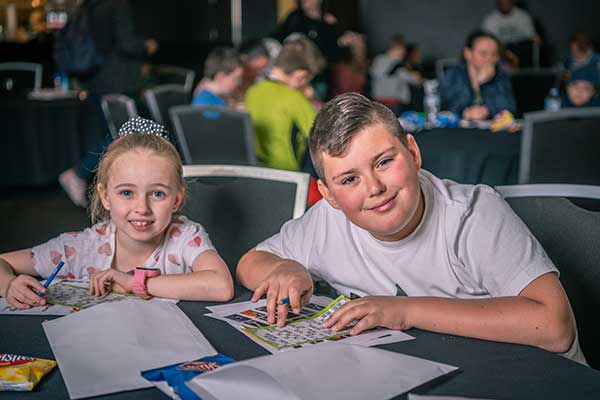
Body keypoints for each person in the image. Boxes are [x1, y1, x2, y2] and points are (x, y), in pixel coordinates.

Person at [236, 92, 586, 365]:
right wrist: (284, 268)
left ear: (413, 154)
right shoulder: (327, 220)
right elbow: (251, 262)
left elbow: (555, 327)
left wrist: (404, 310)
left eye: (385, 162)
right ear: (329, 196)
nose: (374, 188)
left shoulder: (473, 214)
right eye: (349, 179)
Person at [0, 117, 234, 309]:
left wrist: (134, 283)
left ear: (176, 200)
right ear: (105, 196)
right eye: (126, 193)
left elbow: (221, 286)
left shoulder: (185, 237)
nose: (142, 208)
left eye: (158, 194)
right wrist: (9, 284)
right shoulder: (80, 248)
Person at [58, 0, 158, 208]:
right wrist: (147, 46)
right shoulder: (118, 5)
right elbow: (127, 43)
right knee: (123, 135)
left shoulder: (89, 6)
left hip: (95, 80)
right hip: (118, 82)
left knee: (113, 134)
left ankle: (116, 187)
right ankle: (79, 173)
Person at [245, 36, 325, 172]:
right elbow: (321, 136)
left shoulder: (252, 91)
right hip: (289, 175)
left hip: (258, 171)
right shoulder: (294, 98)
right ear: (301, 75)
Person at [440, 30, 516, 121]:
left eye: (494, 54)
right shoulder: (453, 75)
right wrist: (464, 113)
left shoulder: (501, 75)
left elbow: (508, 109)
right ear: (468, 54)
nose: (489, 59)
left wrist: (484, 84)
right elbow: (446, 109)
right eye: (483, 54)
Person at [370, 34, 422, 115]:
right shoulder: (381, 59)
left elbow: (408, 77)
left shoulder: (398, 63)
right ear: (395, 48)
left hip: (396, 103)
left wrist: (415, 77)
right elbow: (379, 73)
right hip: (383, 102)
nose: (404, 52)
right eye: (402, 49)